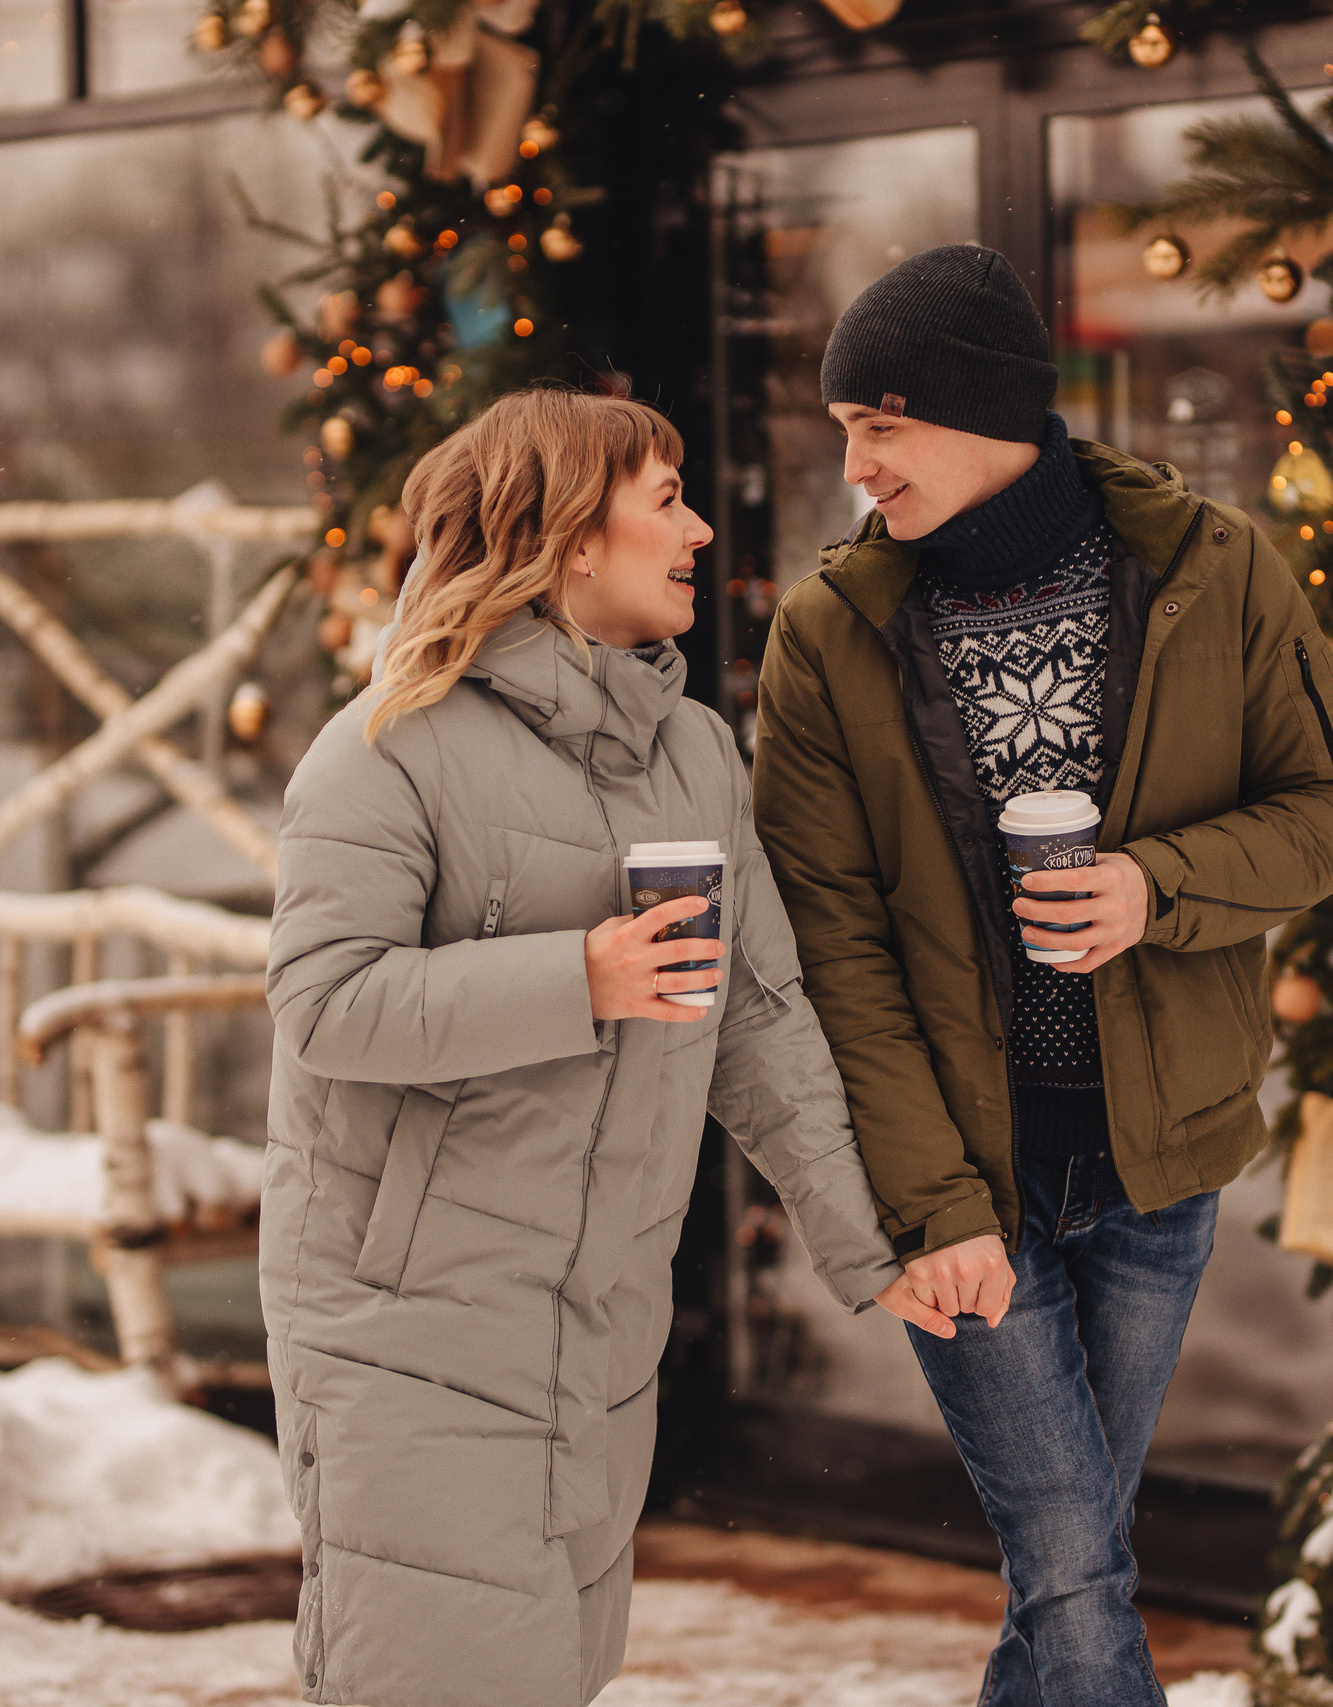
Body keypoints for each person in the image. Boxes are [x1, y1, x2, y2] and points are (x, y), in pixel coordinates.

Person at [751, 246, 1333, 1706]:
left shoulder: (1211, 572)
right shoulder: (829, 633)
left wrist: (1156, 889)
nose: (855, 469)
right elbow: (832, 941)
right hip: (966, 1171)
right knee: (1073, 1570)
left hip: (1154, 1160)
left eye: (878, 428)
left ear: (977, 413)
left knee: (1073, 1558)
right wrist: (928, 1204)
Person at [261, 386, 937, 1707]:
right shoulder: (388, 747)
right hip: (409, 1329)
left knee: (550, 1677)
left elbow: (757, 1020)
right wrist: (581, 974)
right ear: (573, 538)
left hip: (603, 1325)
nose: (697, 528)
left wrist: (874, 1247)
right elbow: (327, 1003)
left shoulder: (691, 753)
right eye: (665, 499)